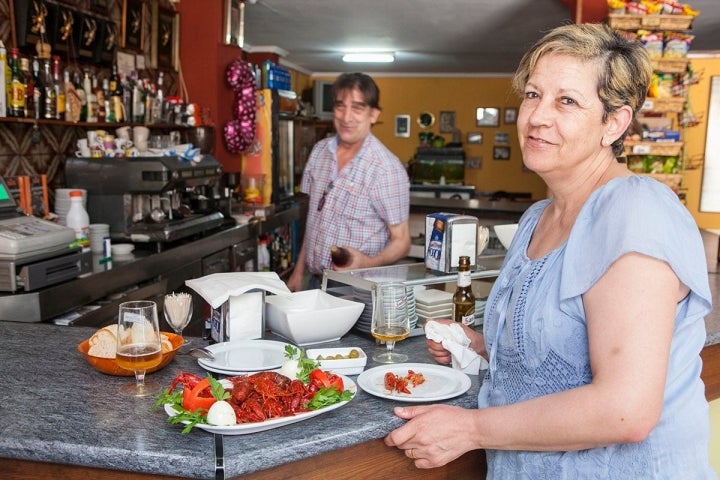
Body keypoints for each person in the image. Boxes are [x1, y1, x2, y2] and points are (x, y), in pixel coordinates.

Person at [385, 23, 716, 479]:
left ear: (614, 123)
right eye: (533, 95)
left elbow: (626, 409)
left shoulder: (635, 211)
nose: (537, 117)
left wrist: (471, 429)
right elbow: (558, 356)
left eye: (567, 101)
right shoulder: (536, 218)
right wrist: (479, 347)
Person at [286, 73, 410, 291]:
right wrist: (298, 273)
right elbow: (315, 220)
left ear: (373, 114)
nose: (347, 117)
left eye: (358, 108)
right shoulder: (319, 152)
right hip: (315, 282)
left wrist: (367, 263)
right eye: (340, 106)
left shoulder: (386, 169)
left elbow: (402, 241)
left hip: (359, 287)